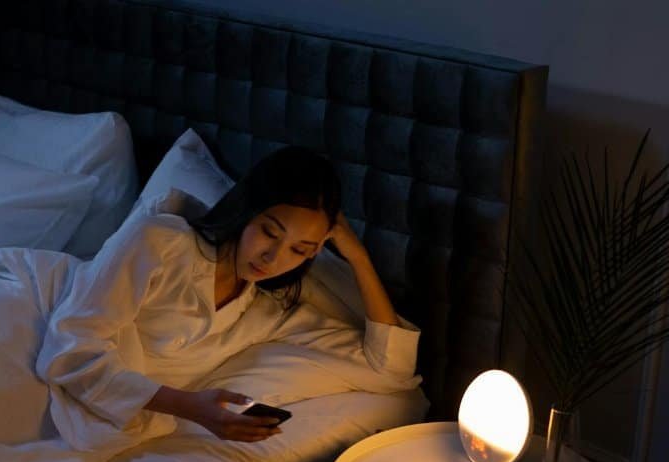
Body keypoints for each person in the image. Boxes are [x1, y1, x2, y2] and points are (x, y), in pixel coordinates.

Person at [36, 145, 421, 445]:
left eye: (300, 250)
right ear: (246, 209)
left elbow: (391, 369)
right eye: (270, 232)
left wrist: (358, 258)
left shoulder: (267, 312)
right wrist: (190, 406)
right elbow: (69, 349)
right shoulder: (160, 241)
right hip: (27, 331)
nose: (273, 258)